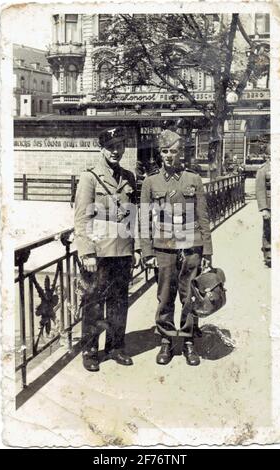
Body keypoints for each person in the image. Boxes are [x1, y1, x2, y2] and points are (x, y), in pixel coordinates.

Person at [140, 129, 213, 366]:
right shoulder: (150, 182)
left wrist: (208, 251)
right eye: (165, 151)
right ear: (159, 153)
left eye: (174, 151)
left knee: (190, 295)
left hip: (191, 246)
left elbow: (203, 216)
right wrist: (147, 251)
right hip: (163, 247)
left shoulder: (193, 179)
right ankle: (166, 340)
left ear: (181, 152)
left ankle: (189, 340)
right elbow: (142, 221)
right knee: (164, 296)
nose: (169, 156)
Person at [74, 127, 139, 371]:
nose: (115, 151)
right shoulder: (89, 177)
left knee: (119, 301)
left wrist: (137, 248)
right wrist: (86, 252)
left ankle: (115, 347)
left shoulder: (129, 177)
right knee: (93, 303)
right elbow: (81, 218)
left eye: (119, 146)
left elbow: (133, 215)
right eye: (110, 146)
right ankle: (90, 350)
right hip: (98, 253)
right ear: (101, 149)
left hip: (122, 251)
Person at [255, 145, 271, 267]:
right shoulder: (263, 170)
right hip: (270, 206)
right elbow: (260, 190)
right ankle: (269, 255)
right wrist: (264, 208)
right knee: (268, 231)